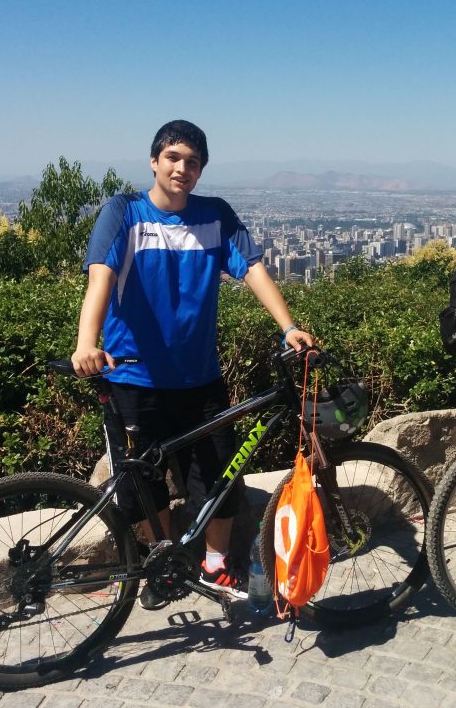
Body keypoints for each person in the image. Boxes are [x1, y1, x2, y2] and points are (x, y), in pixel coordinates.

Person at [71, 120, 313, 607]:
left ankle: (215, 565)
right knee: (142, 484)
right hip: (134, 377)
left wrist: (288, 327)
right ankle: (158, 566)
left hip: (200, 377)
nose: (182, 168)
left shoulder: (215, 216)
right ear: (155, 161)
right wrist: (86, 342)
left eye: (193, 162)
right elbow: (101, 276)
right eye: (174, 158)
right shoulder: (125, 212)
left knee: (220, 475)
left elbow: (254, 269)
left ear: (201, 169)